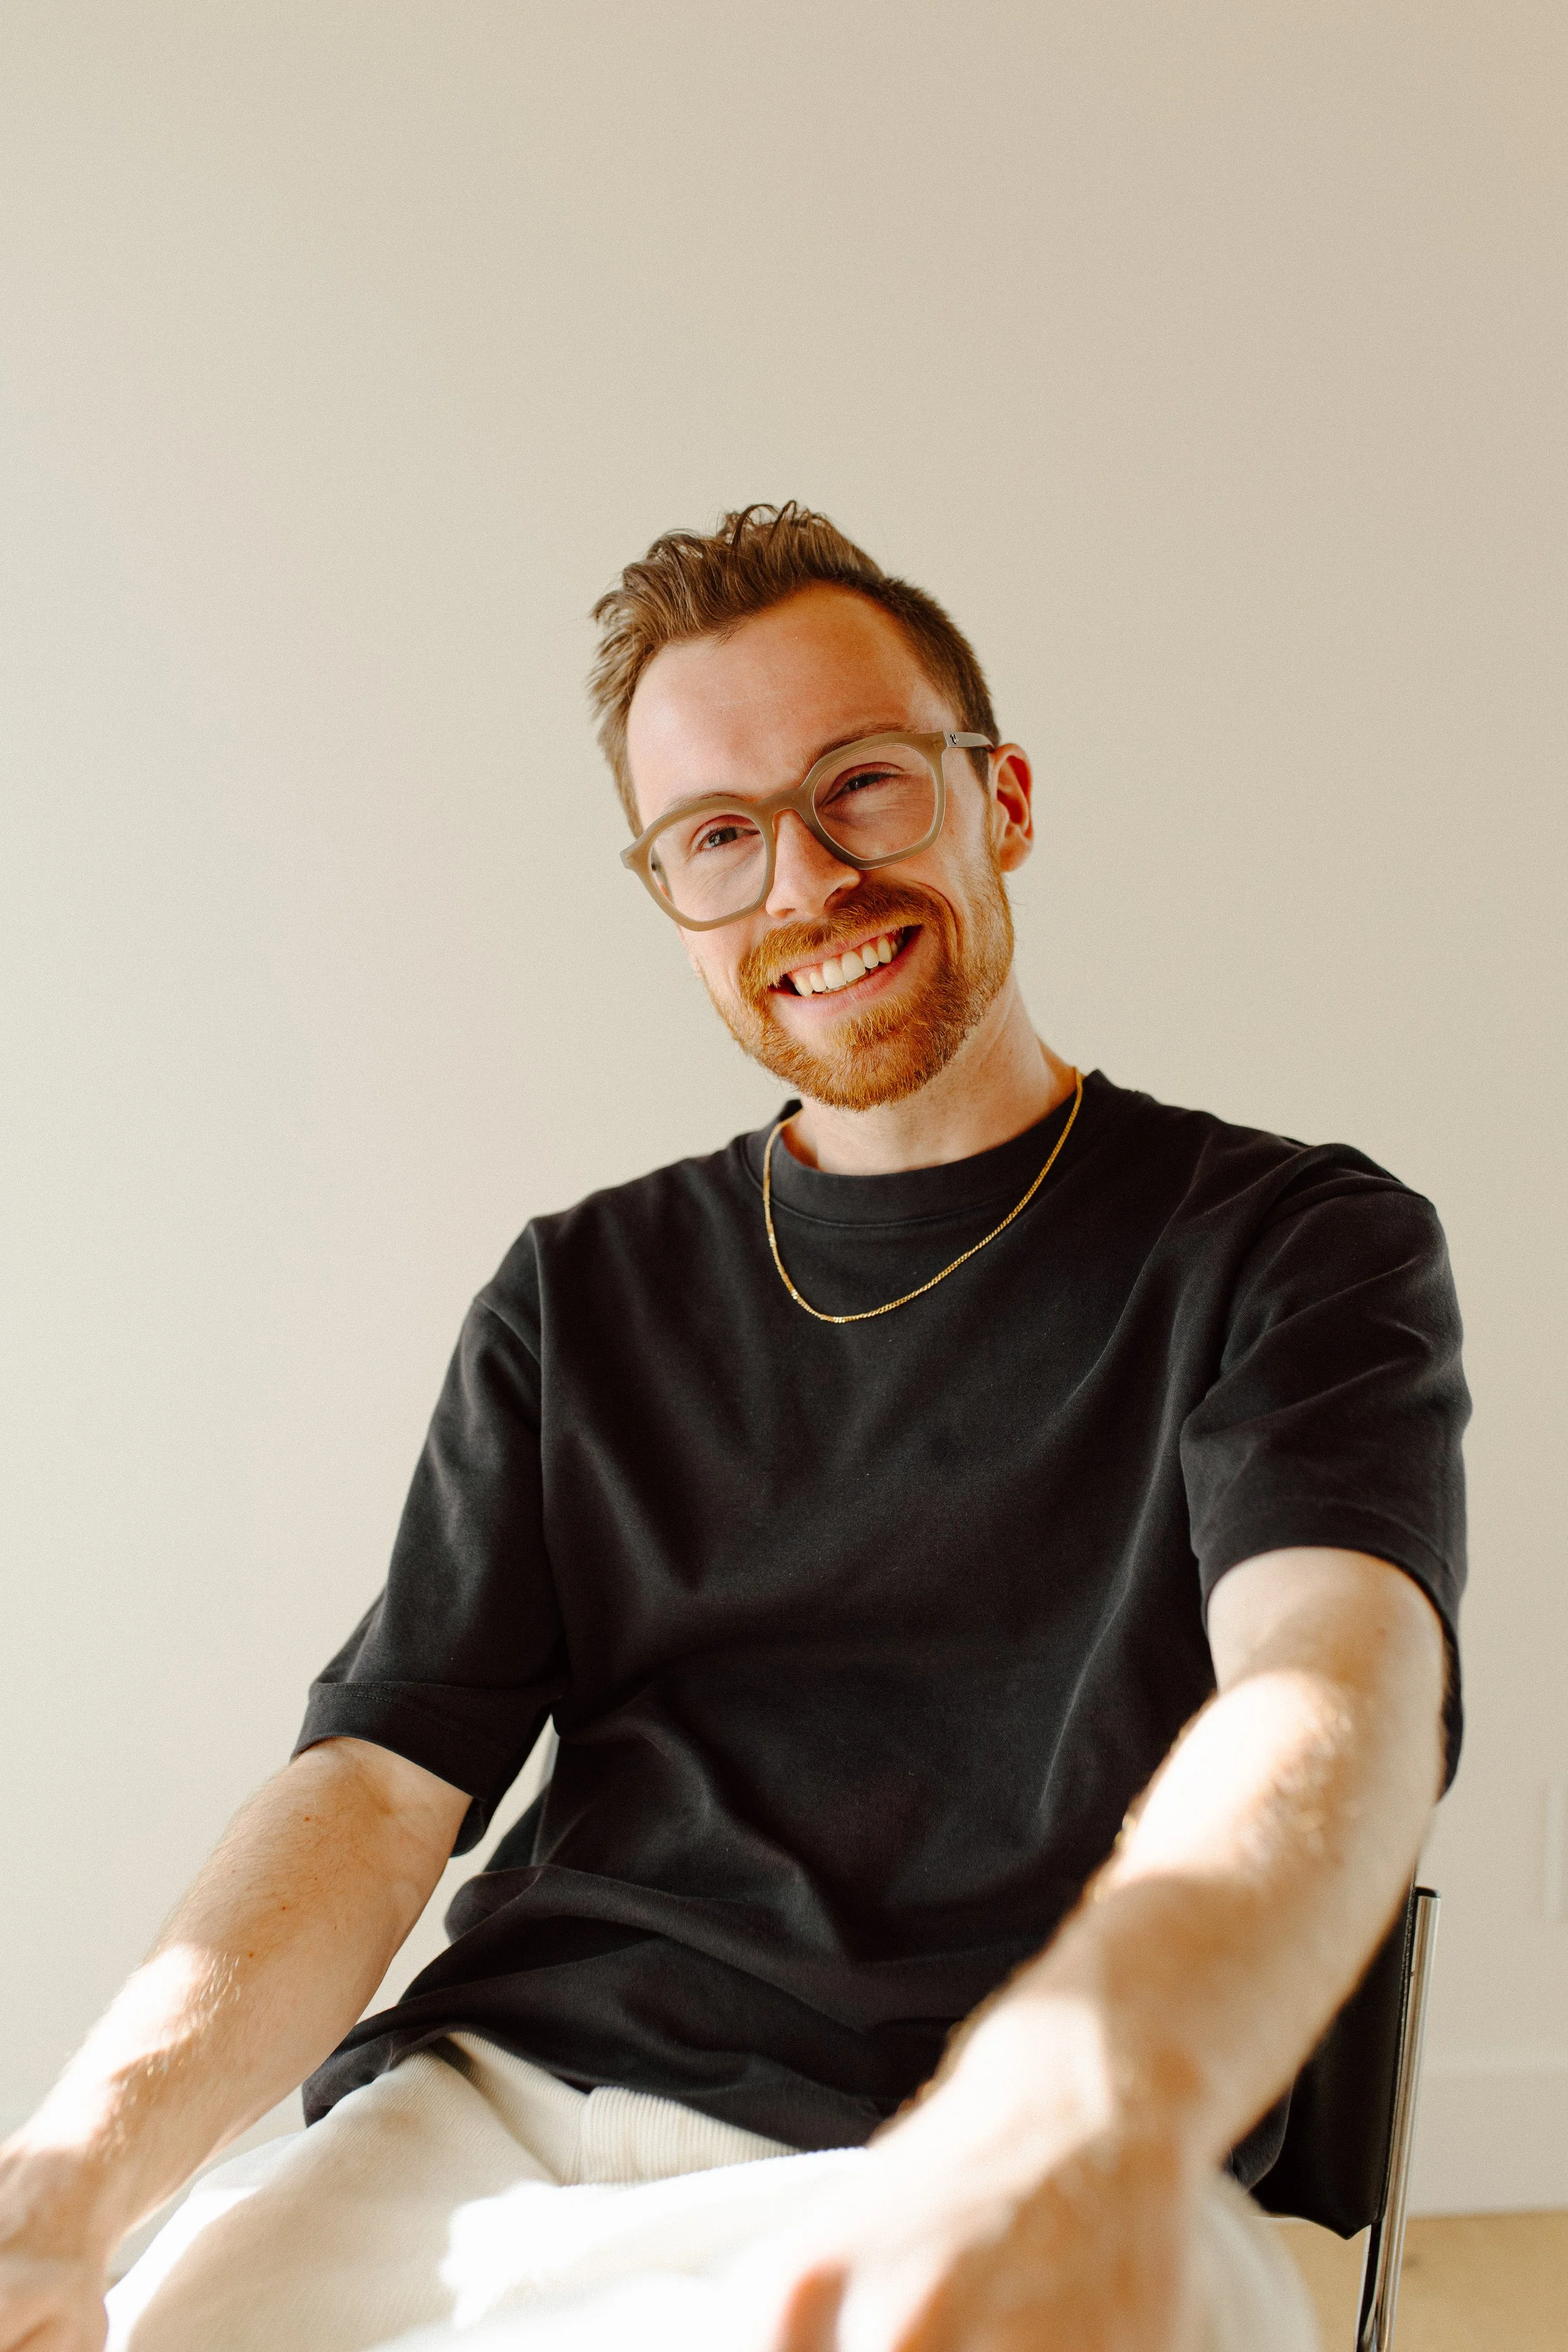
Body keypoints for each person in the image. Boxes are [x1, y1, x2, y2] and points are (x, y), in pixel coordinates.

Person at [0, 504, 1466, 2352]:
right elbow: (373, 1792)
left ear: (998, 797)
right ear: (672, 901)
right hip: (501, 2114)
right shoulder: (577, 1293)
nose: (802, 884)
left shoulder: (1286, 1247)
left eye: (860, 786)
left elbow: (1323, 1694)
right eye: (718, 837)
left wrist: (1088, 2099)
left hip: (993, 2123)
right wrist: (63, 2180)